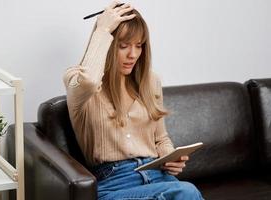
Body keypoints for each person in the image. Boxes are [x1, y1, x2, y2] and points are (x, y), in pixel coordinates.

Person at [63, 1, 203, 199]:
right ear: (108, 44)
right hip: (113, 184)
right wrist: (103, 28)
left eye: (139, 46)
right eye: (123, 46)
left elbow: (161, 138)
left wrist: (170, 157)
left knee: (184, 192)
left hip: (159, 176)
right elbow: (90, 81)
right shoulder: (76, 79)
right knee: (186, 192)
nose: (133, 54)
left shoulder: (150, 81)